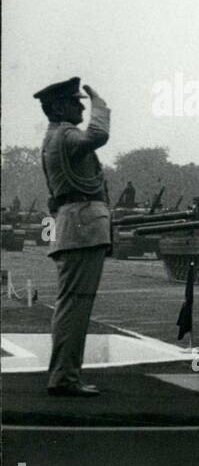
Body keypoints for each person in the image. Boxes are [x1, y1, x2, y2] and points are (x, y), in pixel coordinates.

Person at [37, 77, 111, 397]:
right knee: (76, 307)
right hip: (82, 226)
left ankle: (65, 374)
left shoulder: (55, 137)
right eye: (74, 101)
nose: (81, 106)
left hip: (74, 224)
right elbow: (99, 134)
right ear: (57, 107)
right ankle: (65, 377)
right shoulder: (66, 135)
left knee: (72, 306)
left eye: (82, 101)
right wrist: (100, 103)